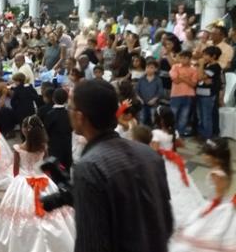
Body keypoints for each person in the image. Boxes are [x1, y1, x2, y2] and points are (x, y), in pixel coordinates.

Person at [68, 80, 173, 252]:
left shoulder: (88, 168)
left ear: (80, 117)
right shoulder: (149, 155)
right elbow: (166, 222)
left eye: (70, 108)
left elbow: (92, 244)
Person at [0, 115, 76, 252]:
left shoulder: (18, 148)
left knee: (18, 216)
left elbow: (15, 172)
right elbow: (46, 167)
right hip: (43, 181)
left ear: (23, 130)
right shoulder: (44, 147)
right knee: (51, 214)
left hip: (22, 182)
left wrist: (17, 183)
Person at [169, 137, 235, 252]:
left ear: (217, 158)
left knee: (201, 234)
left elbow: (218, 199)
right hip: (217, 204)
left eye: (207, 154)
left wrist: (205, 212)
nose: (203, 156)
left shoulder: (217, 174)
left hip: (217, 208)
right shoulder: (222, 169)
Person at [151, 106, 205, 226]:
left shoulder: (156, 133)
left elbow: (153, 152)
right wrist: (170, 147)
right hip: (174, 162)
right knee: (180, 183)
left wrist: (161, 151)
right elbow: (181, 144)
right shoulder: (174, 131)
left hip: (162, 163)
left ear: (160, 120)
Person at [196, 46, 222, 140]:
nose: (204, 57)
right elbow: (200, 77)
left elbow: (199, 77)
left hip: (208, 95)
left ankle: (207, 137)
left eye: (206, 55)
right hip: (200, 93)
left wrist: (201, 65)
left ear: (214, 56)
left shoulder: (215, 67)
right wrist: (202, 72)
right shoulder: (207, 65)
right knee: (200, 116)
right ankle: (202, 134)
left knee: (206, 116)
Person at [43, 89, 73, 172]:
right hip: (67, 144)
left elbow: (46, 130)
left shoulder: (50, 114)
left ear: (53, 99)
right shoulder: (69, 113)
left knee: (55, 168)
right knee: (67, 167)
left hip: (54, 145)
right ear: (66, 99)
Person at [169, 50, 197, 137]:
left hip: (189, 95)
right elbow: (175, 80)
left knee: (184, 116)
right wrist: (187, 79)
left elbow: (193, 84)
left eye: (185, 58)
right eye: (181, 58)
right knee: (173, 115)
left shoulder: (194, 69)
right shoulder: (175, 67)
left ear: (190, 59)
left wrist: (182, 78)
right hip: (176, 95)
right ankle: (170, 132)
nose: (182, 60)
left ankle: (180, 134)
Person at [137, 60, 164, 126]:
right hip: (142, 103)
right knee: (142, 119)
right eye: (147, 67)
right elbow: (136, 91)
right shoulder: (141, 79)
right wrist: (140, 99)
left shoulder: (158, 80)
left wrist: (154, 99)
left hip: (153, 104)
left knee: (153, 120)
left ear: (155, 69)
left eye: (151, 67)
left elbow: (160, 92)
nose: (149, 69)